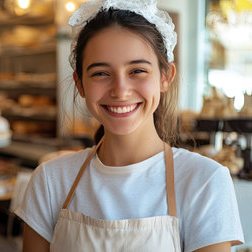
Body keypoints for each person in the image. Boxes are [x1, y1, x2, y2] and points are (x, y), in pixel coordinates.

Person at [14, 0, 244, 251]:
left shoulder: (204, 181)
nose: (121, 91)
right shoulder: (50, 180)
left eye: (137, 70)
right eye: (101, 73)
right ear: (80, 84)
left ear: (165, 77)